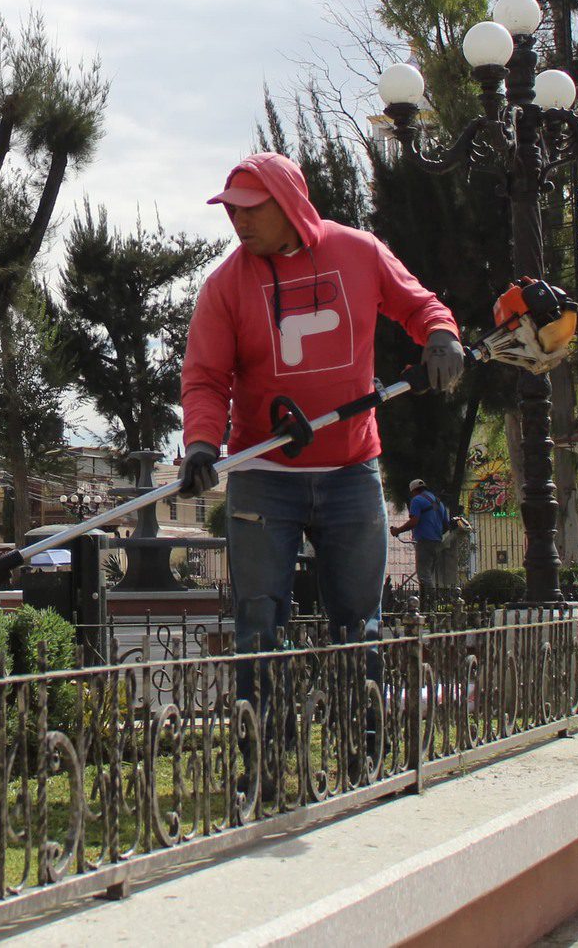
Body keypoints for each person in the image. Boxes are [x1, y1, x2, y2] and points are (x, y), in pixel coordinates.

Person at [178, 152, 463, 663]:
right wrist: (201, 444)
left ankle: (363, 739)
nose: (237, 220)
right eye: (231, 210)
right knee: (258, 628)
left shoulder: (358, 251)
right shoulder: (224, 286)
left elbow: (420, 305)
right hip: (262, 471)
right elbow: (205, 378)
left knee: (360, 625)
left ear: (288, 204)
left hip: (352, 470)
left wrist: (441, 337)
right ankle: (262, 738)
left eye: (250, 209)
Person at [393, 478, 458, 599]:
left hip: (424, 541)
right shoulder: (439, 503)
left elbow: (414, 521)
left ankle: (431, 604)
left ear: (413, 491)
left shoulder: (417, 500)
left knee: (423, 575)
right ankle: (424, 603)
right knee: (429, 574)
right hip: (437, 542)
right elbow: (446, 526)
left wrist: (397, 530)